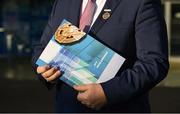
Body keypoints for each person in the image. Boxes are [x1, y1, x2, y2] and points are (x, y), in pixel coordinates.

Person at [32, 0, 169, 112]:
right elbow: (42, 48)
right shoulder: (64, 3)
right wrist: (42, 70)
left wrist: (108, 92)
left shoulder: (140, 3)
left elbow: (154, 62)